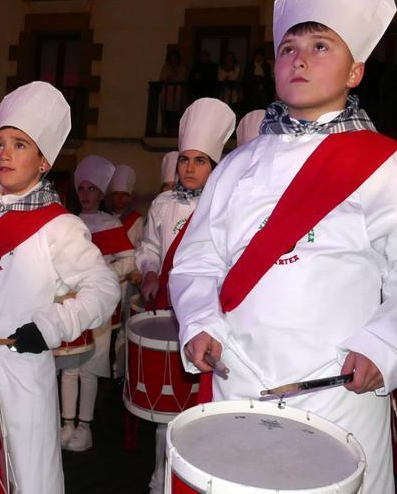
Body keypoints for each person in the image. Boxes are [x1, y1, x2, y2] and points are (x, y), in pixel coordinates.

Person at [169, 1, 397, 493]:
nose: (299, 60)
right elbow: (197, 261)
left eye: (320, 46)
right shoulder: (238, 166)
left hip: (338, 385)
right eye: (288, 48)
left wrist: (384, 346)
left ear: (355, 71)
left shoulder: (389, 166)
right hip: (239, 377)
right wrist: (199, 322)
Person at [0, 81, 120, 493]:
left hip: (20, 373)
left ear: (43, 161)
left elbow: (103, 288)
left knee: (29, 478)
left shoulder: (60, 225)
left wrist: (52, 325)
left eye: (20, 144)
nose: (4, 153)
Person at [135, 97, 235, 494]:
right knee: (166, 407)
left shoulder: (227, 206)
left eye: (200, 161)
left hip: (211, 316)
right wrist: (147, 273)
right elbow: (148, 249)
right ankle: (163, 477)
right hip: (168, 312)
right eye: (185, 160)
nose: (190, 168)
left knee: (203, 405)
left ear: (214, 167)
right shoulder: (161, 204)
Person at [60, 155, 135, 452]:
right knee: (68, 367)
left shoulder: (109, 223)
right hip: (70, 303)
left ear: (101, 194)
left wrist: (104, 277)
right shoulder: (67, 223)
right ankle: (67, 424)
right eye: (83, 189)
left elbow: (128, 260)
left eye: (92, 190)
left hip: (98, 306)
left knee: (90, 368)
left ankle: (85, 426)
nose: (86, 195)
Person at [108, 163, 144, 379]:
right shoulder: (103, 218)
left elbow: (140, 248)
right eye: (116, 195)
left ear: (129, 197)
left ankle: (119, 372)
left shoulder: (137, 220)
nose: (119, 199)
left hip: (126, 282)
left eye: (124, 195)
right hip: (107, 279)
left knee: (124, 326)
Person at [159, 49, 187, 134]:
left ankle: (175, 129)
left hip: (177, 92)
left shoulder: (182, 68)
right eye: (171, 57)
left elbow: (181, 78)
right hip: (167, 93)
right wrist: (170, 77)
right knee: (166, 111)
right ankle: (165, 129)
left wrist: (172, 77)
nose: (173, 59)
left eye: (175, 57)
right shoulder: (165, 67)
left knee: (176, 111)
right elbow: (162, 78)